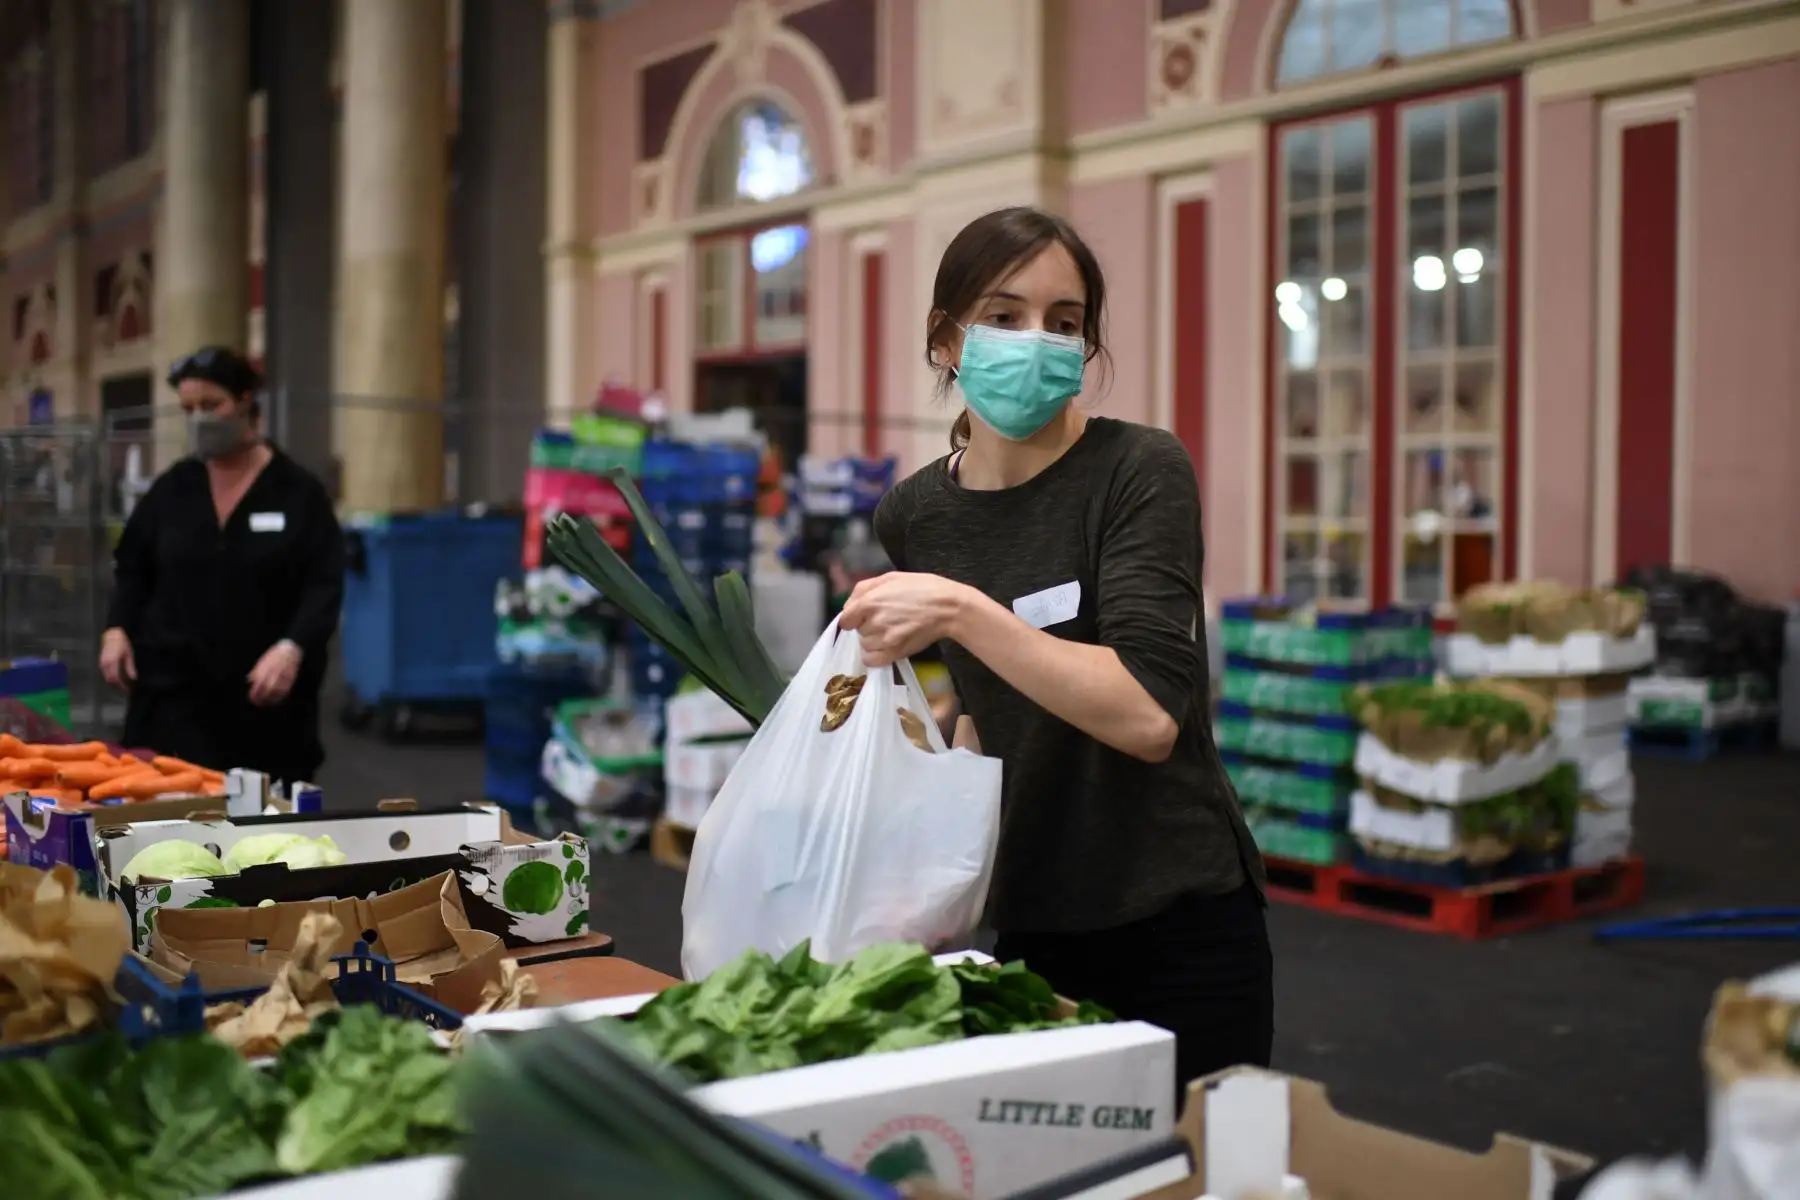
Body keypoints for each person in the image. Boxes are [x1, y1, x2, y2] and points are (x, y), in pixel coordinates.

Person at [841, 207, 1274, 1099]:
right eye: (1004, 316)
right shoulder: (914, 516)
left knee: (1196, 1162)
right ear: (945, 339)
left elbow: (1148, 714)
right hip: (1032, 922)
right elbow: (975, 706)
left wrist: (962, 609)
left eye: (1064, 321)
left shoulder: (1137, 471)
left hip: (1178, 922)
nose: (1037, 340)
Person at [99, 346, 345, 786]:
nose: (199, 419)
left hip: (262, 708)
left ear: (246, 401)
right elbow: (133, 565)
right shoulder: (175, 489)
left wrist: (292, 647)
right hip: (172, 702)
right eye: (188, 409)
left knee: (261, 818)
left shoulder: (296, 493)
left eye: (211, 405)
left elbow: (324, 584)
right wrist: (116, 628)